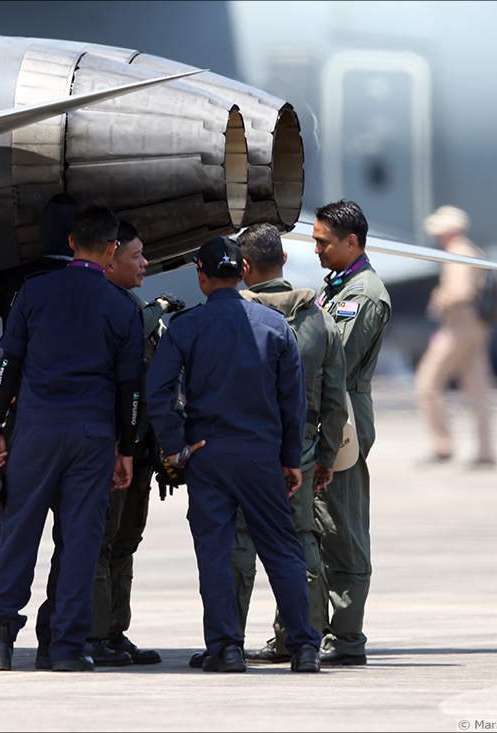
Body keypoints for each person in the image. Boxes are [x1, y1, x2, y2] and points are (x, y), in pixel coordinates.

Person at [0, 205, 145, 672]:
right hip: (92, 437)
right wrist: (125, 449)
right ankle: (66, 649)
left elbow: (8, 366)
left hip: (35, 431)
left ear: (71, 243)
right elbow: (130, 390)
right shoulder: (121, 307)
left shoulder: (35, 291)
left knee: (18, 533)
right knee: (79, 541)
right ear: (112, 250)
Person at [146, 236, 322, 674]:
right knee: (282, 549)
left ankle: (225, 648)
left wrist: (176, 447)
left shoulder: (186, 327)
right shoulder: (278, 326)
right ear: (243, 271)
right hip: (262, 456)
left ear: (201, 277)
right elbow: (292, 401)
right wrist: (288, 458)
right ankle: (303, 648)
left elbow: (157, 393)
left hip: (208, 456)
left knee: (215, 553)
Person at [0, 192, 84, 670]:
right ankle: (58, 643)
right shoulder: (93, 284)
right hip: (84, 427)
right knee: (76, 537)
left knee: (12, 531)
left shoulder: (10, 280)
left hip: (22, 418)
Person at [228, 223, 348, 664]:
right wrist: (326, 457)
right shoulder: (319, 318)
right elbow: (336, 399)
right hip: (301, 446)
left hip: (244, 444)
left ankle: (228, 643)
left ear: (244, 267)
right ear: (282, 260)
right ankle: (301, 641)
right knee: (301, 543)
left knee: (239, 541)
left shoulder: (235, 315)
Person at [86, 220, 185, 666]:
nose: (145, 263)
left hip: (140, 446)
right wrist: (158, 309)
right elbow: (121, 349)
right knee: (102, 542)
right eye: (135, 257)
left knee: (126, 541)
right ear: (110, 259)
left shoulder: (134, 303)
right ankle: (92, 635)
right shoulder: (105, 305)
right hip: (111, 447)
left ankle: (114, 631)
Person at [311, 199, 391, 666]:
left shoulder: (364, 295)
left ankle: (346, 637)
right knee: (310, 528)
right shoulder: (336, 286)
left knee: (341, 528)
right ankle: (303, 630)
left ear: (351, 242)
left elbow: (333, 360)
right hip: (320, 415)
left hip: (341, 423)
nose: (317, 248)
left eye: (324, 241)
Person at [414, 205, 496, 467]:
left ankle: (443, 446)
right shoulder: (471, 250)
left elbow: (460, 292)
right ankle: (485, 452)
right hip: (474, 326)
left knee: (427, 382)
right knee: (478, 391)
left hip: (459, 326)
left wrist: (440, 299)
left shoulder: (457, 252)